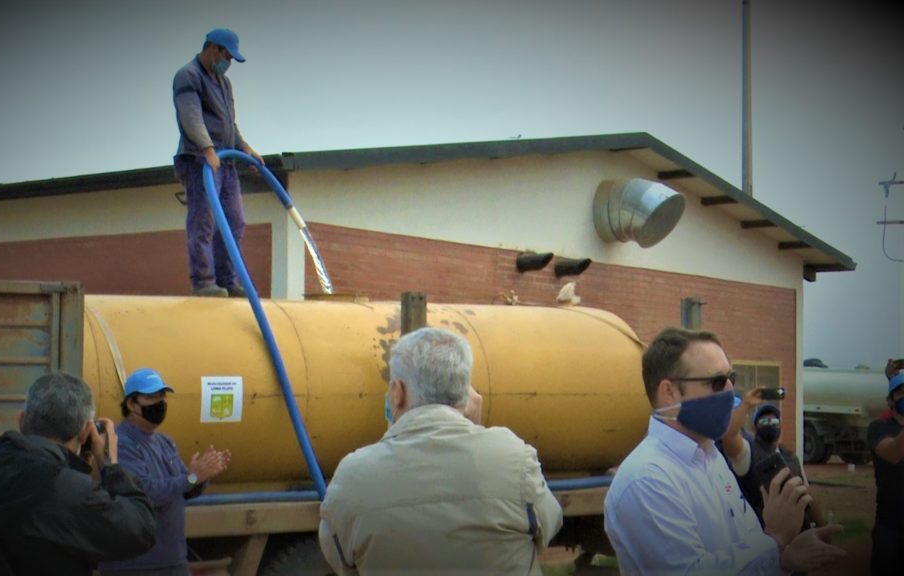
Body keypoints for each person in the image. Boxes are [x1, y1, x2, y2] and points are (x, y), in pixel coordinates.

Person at [318, 327, 563, 575]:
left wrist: (393, 433)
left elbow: (341, 559)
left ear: (397, 392)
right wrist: (475, 429)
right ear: (467, 394)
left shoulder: (354, 474)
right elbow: (548, 527)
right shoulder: (515, 459)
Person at [604, 327, 845, 574]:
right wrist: (774, 540)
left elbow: (742, 548)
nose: (730, 390)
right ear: (669, 392)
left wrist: (784, 559)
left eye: (732, 378)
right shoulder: (647, 479)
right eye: (717, 382)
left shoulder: (711, 458)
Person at [0, 372, 156, 576]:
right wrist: (109, 464)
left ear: (21, 420)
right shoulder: (73, 492)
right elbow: (141, 531)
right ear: (85, 433)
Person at [99, 368, 231, 576]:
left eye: (162, 396)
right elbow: (144, 493)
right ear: (132, 404)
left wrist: (203, 476)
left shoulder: (164, 441)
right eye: (151, 397)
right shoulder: (121, 443)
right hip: (137, 565)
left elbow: (183, 489)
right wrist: (192, 476)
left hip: (172, 560)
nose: (159, 403)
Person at [172, 27, 263, 298]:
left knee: (234, 221)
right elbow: (190, 116)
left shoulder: (224, 83)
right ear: (213, 49)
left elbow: (228, 124)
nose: (229, 63)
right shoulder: (188, 75)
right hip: (200, 160)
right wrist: (207, 148)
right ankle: (203, 281)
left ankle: (226, 280)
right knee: (203, 221)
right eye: (228, 57)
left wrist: (245, 148)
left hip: (226, 162)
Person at [721, 395, 826, 531]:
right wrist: (745, 405)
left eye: (774, 422)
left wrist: (822, 528)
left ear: (781, 426)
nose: (770, 424)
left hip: (799, 531)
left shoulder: (791, 458)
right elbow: (729, 437)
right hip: (765, 533)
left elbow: (808, 494)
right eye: (764, 422)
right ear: (754, 428)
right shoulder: (748, 453)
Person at [866, 361, 904, 575]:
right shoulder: (879, 428)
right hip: (890, 527)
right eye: (900, 392)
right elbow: (893, 453)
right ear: (890, 400)